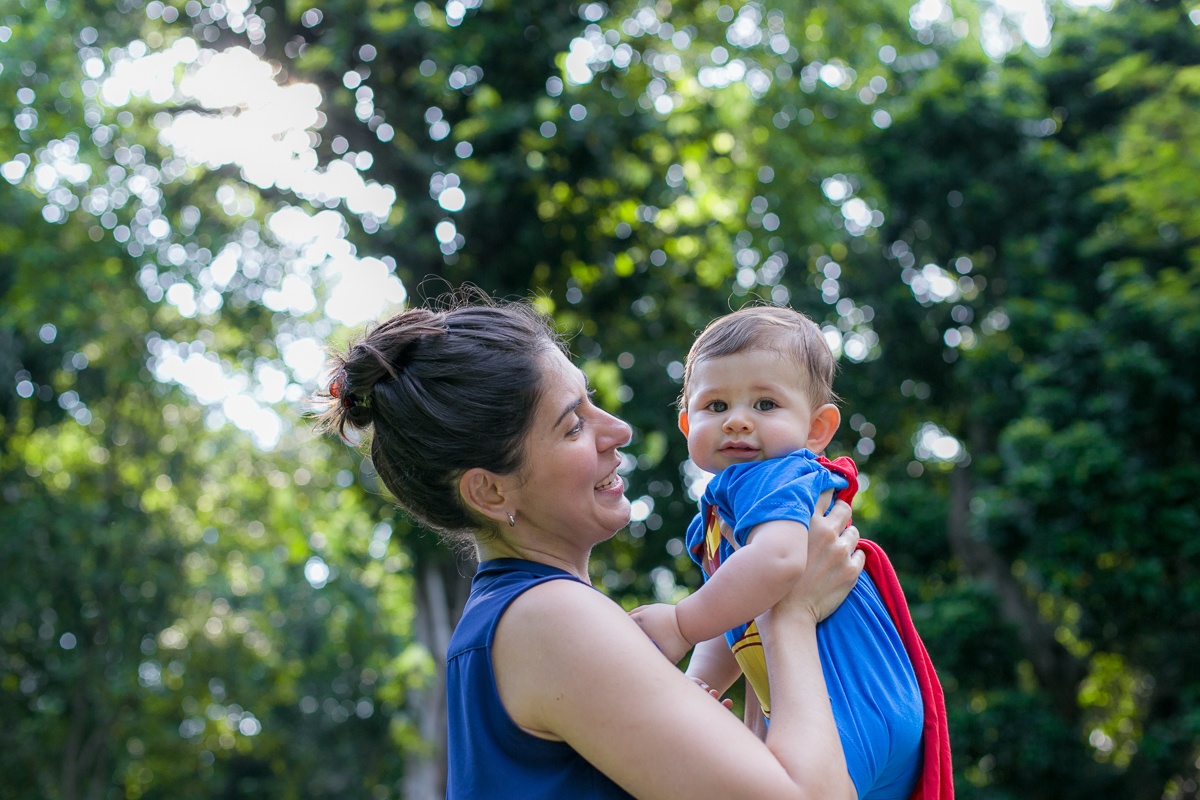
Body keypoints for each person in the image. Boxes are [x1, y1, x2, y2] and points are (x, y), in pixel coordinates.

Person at [317, 292, 866, 800]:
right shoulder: (550, 619)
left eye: (593, 401)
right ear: (489, 490)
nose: (619, 430)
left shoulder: (514, 620)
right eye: (574, 424)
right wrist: (790, 612)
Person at [629, 306, 952, 800]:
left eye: (764, 404)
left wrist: (679, 624)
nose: (737, 421)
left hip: (851, 694)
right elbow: (733, 612)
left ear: (817, 428)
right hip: (836, 702)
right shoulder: (720, 509)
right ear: (686, 422)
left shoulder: (777, 476)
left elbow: (779, 563)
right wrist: (698, 683)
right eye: (715, 406)